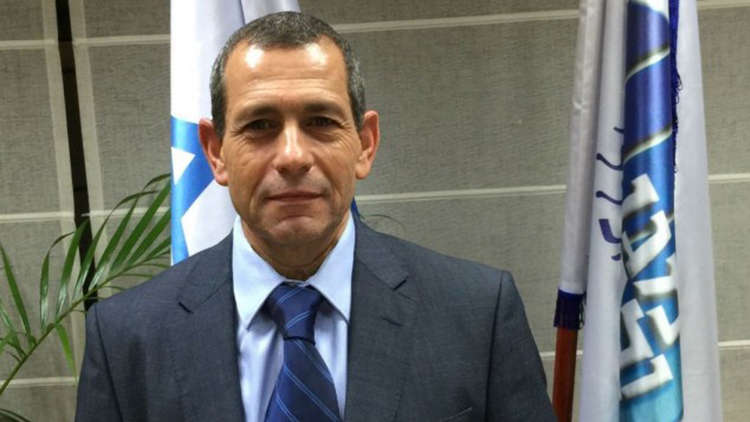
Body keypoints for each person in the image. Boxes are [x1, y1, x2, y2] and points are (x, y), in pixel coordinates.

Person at [75, 11, 555, 422]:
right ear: (216, 152)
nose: (292, 156)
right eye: (260, 125)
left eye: (320, 122)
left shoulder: (478, 314)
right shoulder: (125, 340)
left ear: (364, 144)